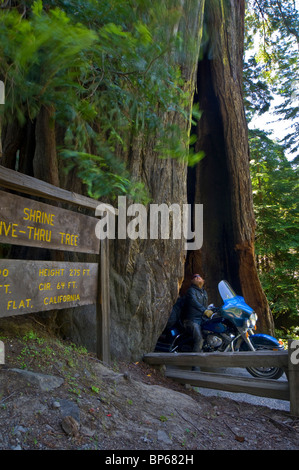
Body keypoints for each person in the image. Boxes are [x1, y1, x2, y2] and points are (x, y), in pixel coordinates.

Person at [183, 274, 213, 352]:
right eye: (195, 277)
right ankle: (195, 362)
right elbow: (194, 303)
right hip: (192, 320)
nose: (197, 277)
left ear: (203, 280)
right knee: (199, 339)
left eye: (199, 276)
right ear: (192, 281)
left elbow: (205, 306)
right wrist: (205, 311)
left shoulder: (204, 292)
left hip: (202, 319)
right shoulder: (191, 291)